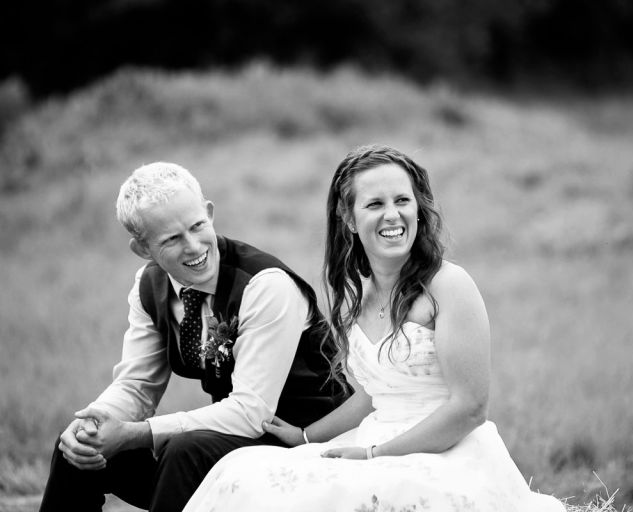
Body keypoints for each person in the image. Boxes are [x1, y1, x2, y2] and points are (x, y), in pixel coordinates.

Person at [183, 145, 566, 512]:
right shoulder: (356, 296)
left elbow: (469, 409)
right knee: (240, 473)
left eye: (402, 200)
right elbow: (371, 395)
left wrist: (375, 455)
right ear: (349, 219)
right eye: (375, 204)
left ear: (419, 209)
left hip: (446, 451)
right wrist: (306, 437)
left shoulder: (450, 286)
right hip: (373, 437)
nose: (393, 216)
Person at [39, 162, 348, 512]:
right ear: (143, 248)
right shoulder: (150, 287)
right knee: (77, 450)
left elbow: (250, 412)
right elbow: (136, 385)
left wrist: (135, 433)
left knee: (184, 450)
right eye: (171, 239)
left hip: (305, 444)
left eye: (198, 226)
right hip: (236, 443)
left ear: (210, 213)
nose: (193, 246)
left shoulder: (266, 285)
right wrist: (93, 423)